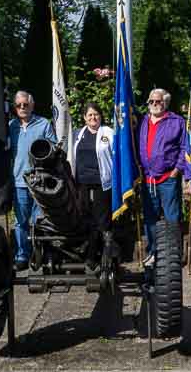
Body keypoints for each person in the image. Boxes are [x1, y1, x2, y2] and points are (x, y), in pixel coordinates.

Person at [138, 88, 187, 265]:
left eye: (158, 101)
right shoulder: (142, 121)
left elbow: (184, 147)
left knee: (172, 218)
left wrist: (177, 170)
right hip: (148, 179)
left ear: (165, 103)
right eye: (151, 101)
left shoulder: (176, 121)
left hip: (168, 178)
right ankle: (153, 252)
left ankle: (174, 254)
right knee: (150, 218)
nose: (154, 105)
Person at [9, 90, 56, 269]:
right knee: (21, 222)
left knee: (40, 221)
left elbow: (53, 147)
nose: (22, 108)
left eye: (25, 104)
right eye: (19, 105)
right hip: (19, 182)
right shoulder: (11, 126)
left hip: (39, 181)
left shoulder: (43, 124)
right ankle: (22, 256)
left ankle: (41, 254)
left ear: (32, 105)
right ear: (15, 107)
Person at [69, 102, 114, 271]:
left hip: (102, 182)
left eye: (96, 114)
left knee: (102, 220)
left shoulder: (108, 133)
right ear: (84, 118)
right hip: (81, 183)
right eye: (89, 115)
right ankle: (89, 254)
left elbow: (116, 156)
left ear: (100, 116)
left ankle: (102, 255)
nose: (93, 117)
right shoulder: (77, 134)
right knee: (85, 219)